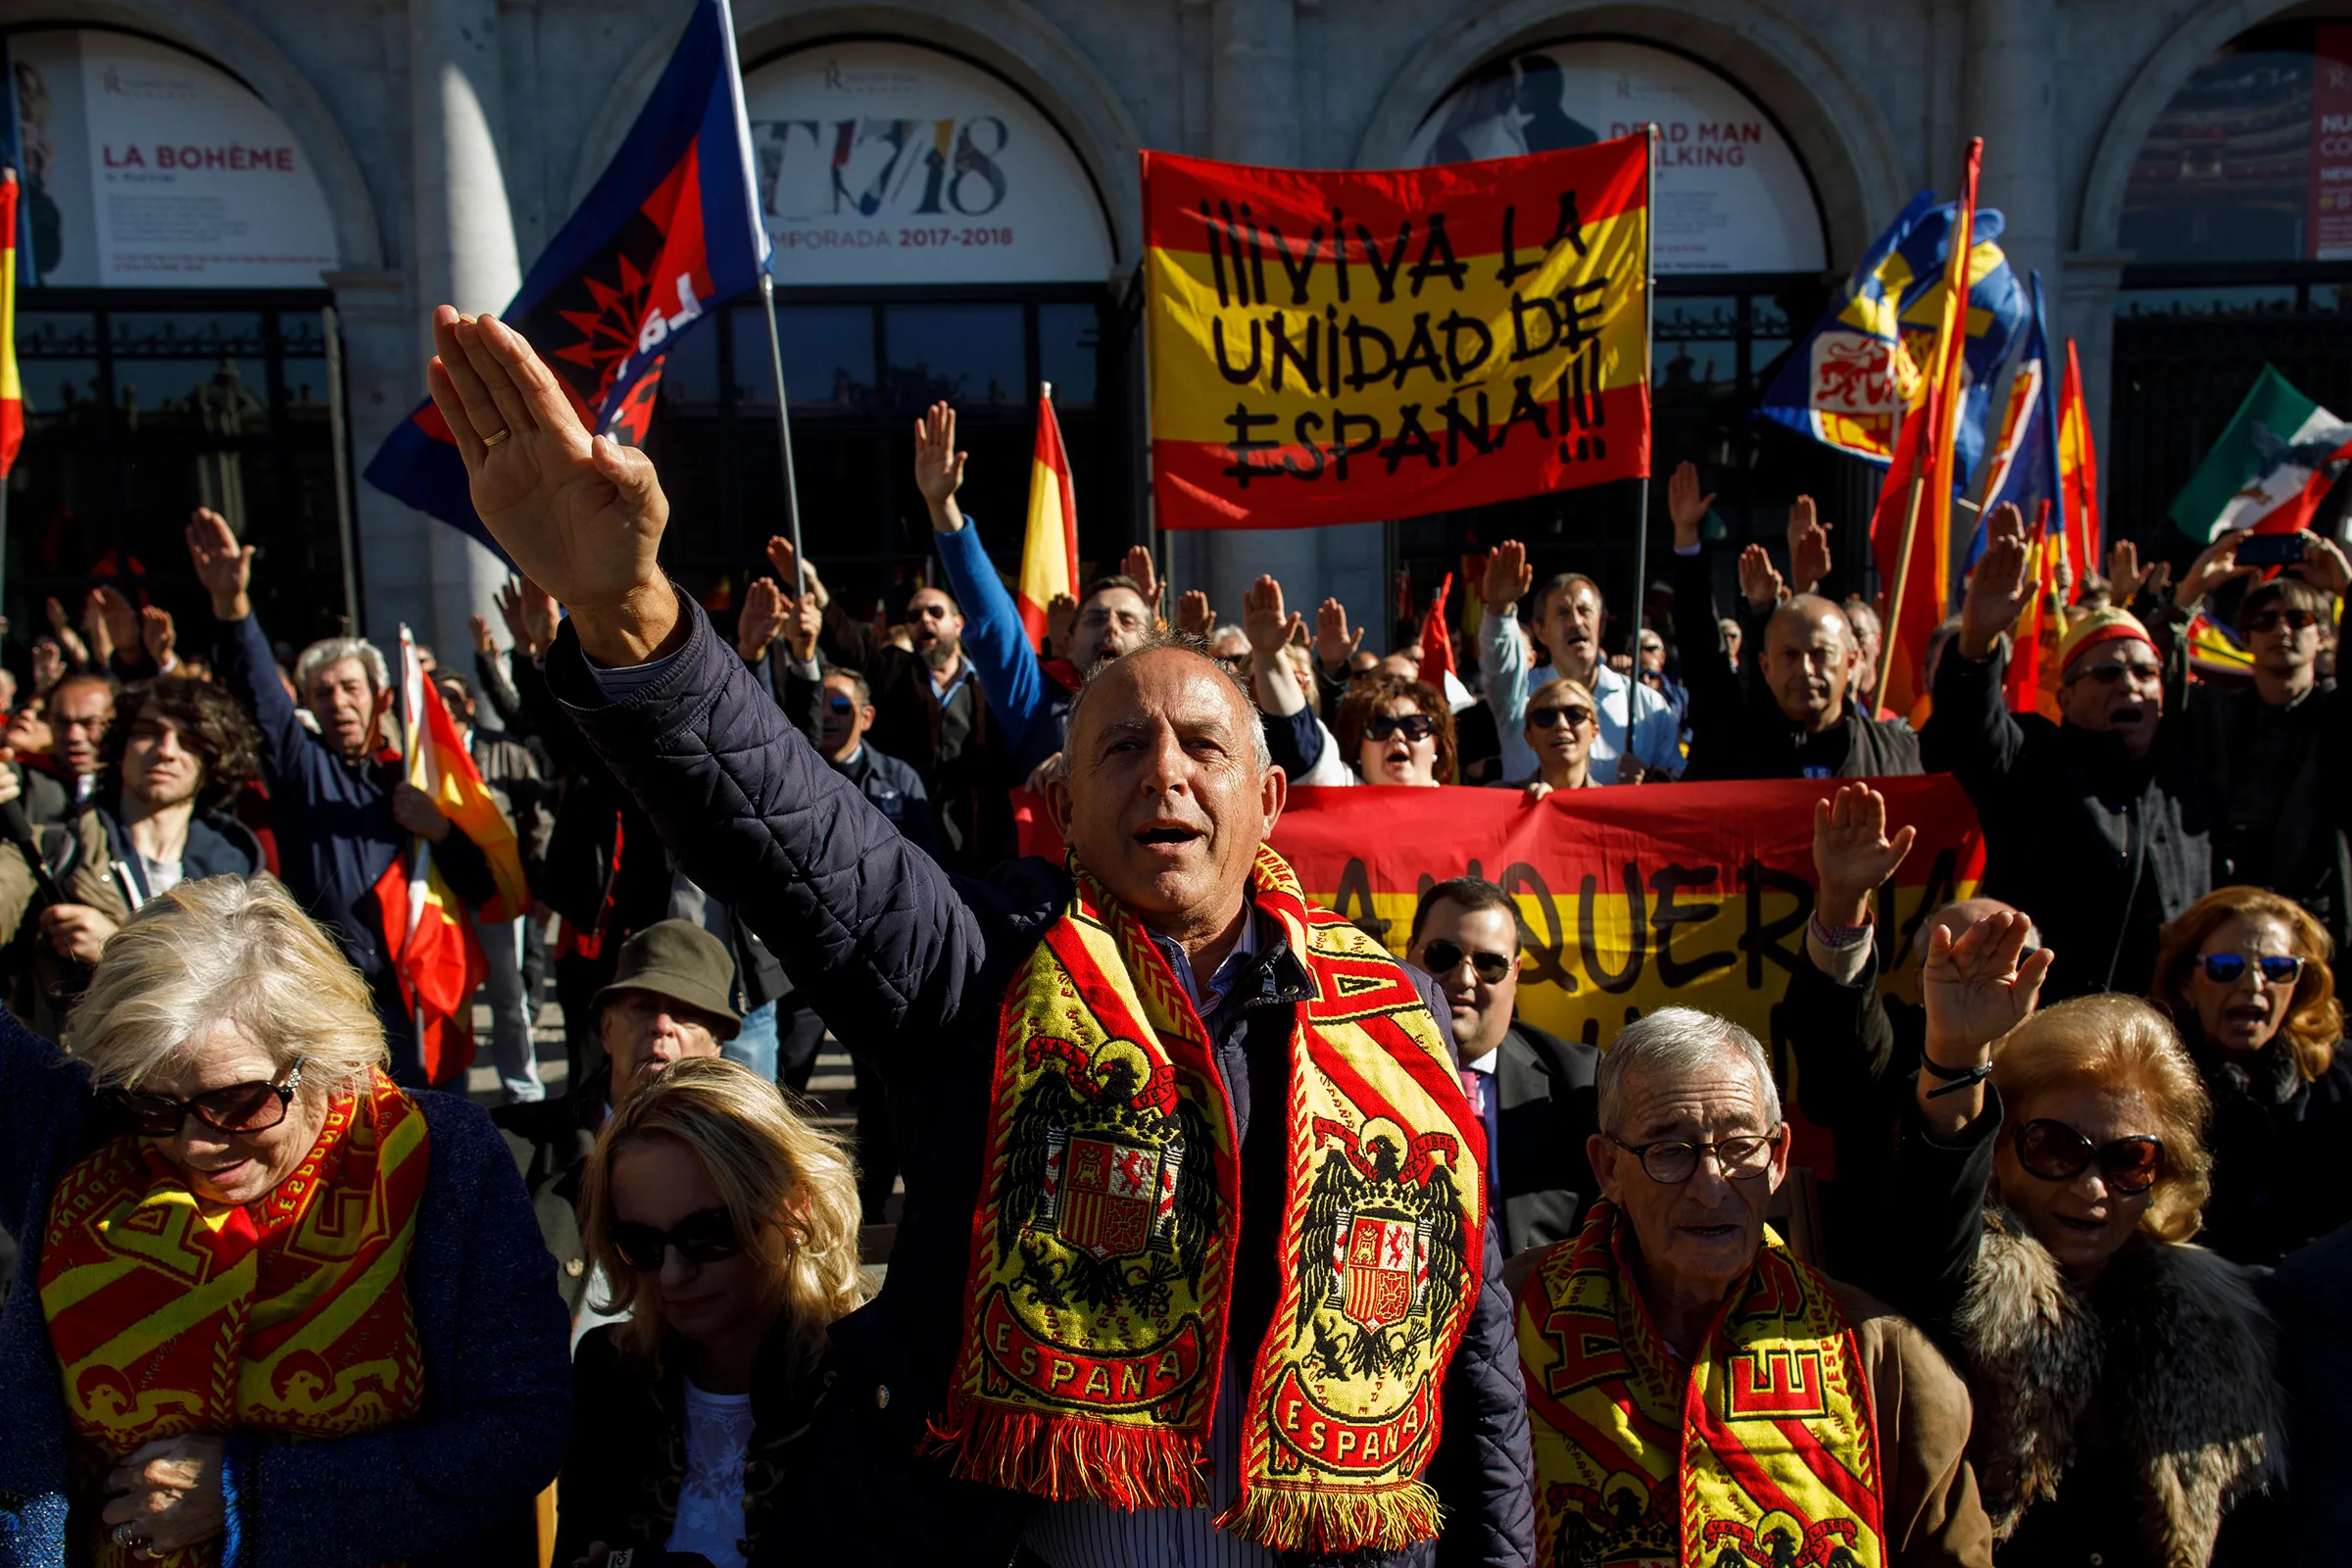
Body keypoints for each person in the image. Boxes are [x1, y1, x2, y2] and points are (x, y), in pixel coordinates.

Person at [423, 307, 1533, 1566]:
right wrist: (630, 612)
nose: (1164, 776)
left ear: (1268, 799)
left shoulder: (1393, 1022)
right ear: (1060, 805)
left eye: (1205, 747)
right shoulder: (989, 971)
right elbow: (793, 834)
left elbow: (1479, 1372)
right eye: (1120, 746)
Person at [0, 875, 570, 1563]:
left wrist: (252, 1494)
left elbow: (520, 1430)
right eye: (154, 1106)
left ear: (322, 1056)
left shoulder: (441, 1160)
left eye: (239, 1102)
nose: (196, 1145)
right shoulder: (85, 1136)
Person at [1514, 1006, 1991, 1566]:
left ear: (1778, 1158)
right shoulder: (1507, 1321)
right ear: (1609, 1168)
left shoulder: (1880, 1358)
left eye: (1740, 1147)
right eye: (1671, 1152)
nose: (1711, 1189)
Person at [1884, 917, 2283, 1564]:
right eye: (2056, 1148)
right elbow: (1938, 1204)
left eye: (2129, 1160)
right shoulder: (1954, 1277)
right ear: (2001, 1151)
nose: (2092, 1187)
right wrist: (1955, 1055)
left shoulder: (2212, 1325)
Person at [186, 508, 502, 1086]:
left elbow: (482, 888)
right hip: (332, 995)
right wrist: (234, 610)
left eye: (350, 688)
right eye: (322, 692)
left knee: (433, 1132)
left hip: (418, 996)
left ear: (380, 697)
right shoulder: (302, 767)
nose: (337, 703)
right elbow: (262, 697)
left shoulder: (416, 778)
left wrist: (438, 829)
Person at [558, 1057, 866, 1568]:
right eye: (641, 1244)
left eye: (708, 1233)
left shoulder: (867, 1386)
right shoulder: (611, 1372)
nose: (673, 1274)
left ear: (795, 1207)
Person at [1924, 505, 2212, 999]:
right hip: (2055, 1033)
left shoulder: (2188, 779)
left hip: (2167, 1040)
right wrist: (1976, 642)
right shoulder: (2034, 760)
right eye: (2107, 674)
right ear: (2068, 696)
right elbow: (1968, 731)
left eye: (2145, 674)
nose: (2131, 687)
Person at [498, 917, 744, 1327]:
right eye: (643, 1006)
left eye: (685, 1014)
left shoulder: (753, 1165)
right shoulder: (510, 1150)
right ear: (607, 1030)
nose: (662, 1025)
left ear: (716, 1047)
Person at [0, 677, 266, 1019]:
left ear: (213, 760)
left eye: (189, 741)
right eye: (148, 732)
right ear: (120, 744)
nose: (166, 750)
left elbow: (259, 997)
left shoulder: (245, 881)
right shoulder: (54, 849)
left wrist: (118, 949)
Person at [914, 401, 1154, 778]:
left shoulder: (1176, 705)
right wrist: (943, 506)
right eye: (1095, 617)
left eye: (1127, 619)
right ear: (1069, 641)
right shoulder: (1036, 701)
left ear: (1154, 640)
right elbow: (994, 623)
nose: (1111, 627)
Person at [760, 535, 1012, 875]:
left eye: (935, 612)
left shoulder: (988, 686)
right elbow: (851, 644)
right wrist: (815, 588)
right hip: (911, 838)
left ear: (958, 623)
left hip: (980, 844)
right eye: (914, 615)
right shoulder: (895, 673)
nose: (924, 619)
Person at [1666, 468, 1922, 779]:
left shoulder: (1894, 754)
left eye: (1820, 654)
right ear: (1765, 666)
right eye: (1789, 656)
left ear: (1852, 660)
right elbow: (1702, 655)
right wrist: (1686, 540)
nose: (1805, 669)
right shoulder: (1733, 752)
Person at [2164, 534, 2349, 959]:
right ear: (2245, 639)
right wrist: (2189, 595)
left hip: (2322, 929)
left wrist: (2345, 587)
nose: (2281, 629)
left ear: (2323, 636)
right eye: (2264, 621)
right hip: (2225, 920)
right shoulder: (2216, 716)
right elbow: (2161, 685)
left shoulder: (2338, 715)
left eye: (2298, 619)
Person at [2147, 885, 2352, 1265]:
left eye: (2277, 969)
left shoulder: (2340, 1079)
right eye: (2226, 968)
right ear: (2186, 982)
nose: (2254, 985)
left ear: (2300, 983)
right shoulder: (2149, 1083)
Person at [1405, 878, 1597, 1255]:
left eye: (1489, 964)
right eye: (1443, 955)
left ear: (1516, 973)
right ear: (1409, 955)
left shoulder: (1579, 1082)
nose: (1463, 978)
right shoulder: (1353, 1066)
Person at [437, 668, 552, 1105]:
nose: (443, 705)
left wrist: (539, 889)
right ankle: (452, 1093)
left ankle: (523, 1087)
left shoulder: (505, 750)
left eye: (451, 696)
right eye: (436, 697)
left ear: (469, 703)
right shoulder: (422, 755)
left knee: (509, 997)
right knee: (450, 999)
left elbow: (536, 822)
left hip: (497, 896)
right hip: (444, 897)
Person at [1477, 540, 1679, 784]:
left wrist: (1649, 782)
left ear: (1601, 624)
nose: (1576, 622)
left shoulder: (1647, 705)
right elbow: (1498, 663)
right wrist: (1498, 609)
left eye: (1585, 611)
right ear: (1540, 631)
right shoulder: (1518, 696)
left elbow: (1677, 779)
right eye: (1562, 613)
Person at [1509, 675, 1605, 799]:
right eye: (1544, 717)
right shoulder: (1500, 798)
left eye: (1575, 714)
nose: (1561, 724)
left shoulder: (1612, 807)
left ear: (1594, 732)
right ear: (1529, 737)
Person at [46, 670, 116, 807]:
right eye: (61, 723)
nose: (73, 736)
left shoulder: (136, 793)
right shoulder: (27, 786)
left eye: (89, 723)